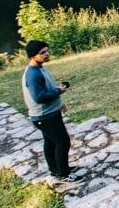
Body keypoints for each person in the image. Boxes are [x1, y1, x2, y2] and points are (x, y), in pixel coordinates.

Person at [22, 40, 79, 181]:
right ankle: (64, 174)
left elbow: (46, 90)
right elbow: (39, 97)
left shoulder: (39, 68)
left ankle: (55, 169)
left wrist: (58, 103)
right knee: (62, 141)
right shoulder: (33, 74)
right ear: (32, 55)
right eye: (42, 53)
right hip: (44, 116)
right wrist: (59, 91)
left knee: (50, 142)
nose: (46, 54)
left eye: (47, 51)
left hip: (48, 113)